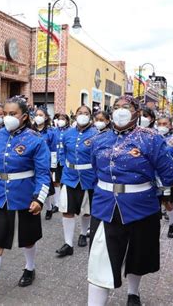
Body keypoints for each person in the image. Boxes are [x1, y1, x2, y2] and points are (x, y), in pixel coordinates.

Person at [87, 96, 173, 306]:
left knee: (138, 255)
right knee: (100, 262)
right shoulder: (99, 139)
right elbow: (95, 172)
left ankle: (133, 292)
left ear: (136, 112)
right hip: (105, 207)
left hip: (142, 208)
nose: (120, 111)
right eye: (116, 107)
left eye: (126, 107)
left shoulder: (151, 138)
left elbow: (170, 176)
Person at [0, 97, 51, 306]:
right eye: (5, 114)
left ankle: (30, 268)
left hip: (25, 197)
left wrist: (39, 199)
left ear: (24, 117)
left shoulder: (36, 140)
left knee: (28, 239)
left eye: (12, 114)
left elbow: (43, 174)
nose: (7, 118)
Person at [56, 106, 97, 257]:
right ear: (75, 116)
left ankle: (83, 233)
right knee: (67, 209)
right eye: (80, 113)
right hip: (69, 176)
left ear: (90, 117)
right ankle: (68, 244)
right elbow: (63, 153)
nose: (83, 116)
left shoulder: (96, 135)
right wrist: (63, 169)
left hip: (88, 177)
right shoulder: (67, 134)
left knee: (86, 210)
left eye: (86, 113)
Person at [32, 108, 55, 219]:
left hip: (45, 164)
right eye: (36, 115)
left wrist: (52, 168)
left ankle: (49, 208)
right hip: (32, 164)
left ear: (45, 117)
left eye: (40, 115)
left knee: (45, 189)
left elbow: (54, 151)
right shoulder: (30, 131)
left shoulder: (50, 133)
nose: (38, 117)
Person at [50, 113, 70, 216]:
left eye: (63, 119)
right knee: (55, 182)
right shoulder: (53, 131)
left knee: (64, 182)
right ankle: (57, 203)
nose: (60, 120)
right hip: (55, 160)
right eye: (59, 119)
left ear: (67, 120)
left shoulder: (70, 131)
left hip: (65, 160)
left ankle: (64, 202)